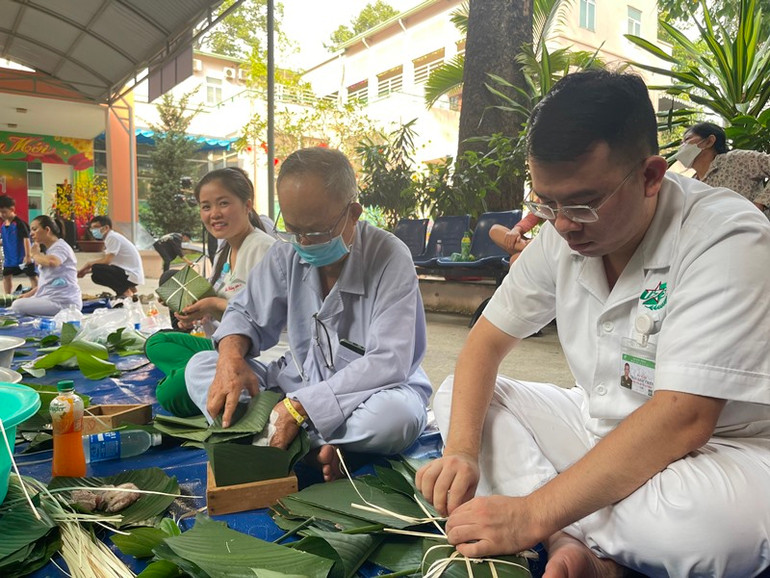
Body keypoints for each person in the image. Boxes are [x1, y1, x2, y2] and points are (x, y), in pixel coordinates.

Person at [416, 70, 770, 577]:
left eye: (583, 202)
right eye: (547, 202)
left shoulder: (726, 236)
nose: (562, 223)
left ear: (651, 175)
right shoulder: (564, 234)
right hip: (602, 431)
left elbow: (685, 418)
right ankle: (575, 543)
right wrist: (463, 453)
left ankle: (561, 522)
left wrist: (530, 513)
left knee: (706, 531)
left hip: (723, 453)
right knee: (458, 397)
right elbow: (485, 344)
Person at [185, 147, 431, 481]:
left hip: (373, 394)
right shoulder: (287, 251)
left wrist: (301, 408)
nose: (303, 242)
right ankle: (312, 446)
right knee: (199, 367)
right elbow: (244, 312)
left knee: (395, 420)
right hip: (296, 385)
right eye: (293, 228)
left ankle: (273, 438)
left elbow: (389, 361)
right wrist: (230, 358)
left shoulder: (389, 257)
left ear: (354, 213)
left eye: (316, 232)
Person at [145, 167, 276, 417]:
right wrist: (194, 309)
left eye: (223, 203)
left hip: (257, 354)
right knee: (157, 342)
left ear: (247, 205)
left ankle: (193, 377)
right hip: (218, 346)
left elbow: (268, 319)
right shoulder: (224, 248)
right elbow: (221, 302)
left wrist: (214, 305)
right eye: (205, 206)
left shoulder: (263, 249)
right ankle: (197, 373)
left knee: (167, 394)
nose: (214, 214)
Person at [675, 121, 770, 212]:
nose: (682, 147)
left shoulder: (738, 160)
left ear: (709, 141)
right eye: (681, 143)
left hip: (754, 227)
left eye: (687, 139)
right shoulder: (693, 185)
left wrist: (760, 203)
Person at [11, 215, 81, 316]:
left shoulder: (60, 247)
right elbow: (46, 283)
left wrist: (34, 254)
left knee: (17, 305)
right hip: (50, 298)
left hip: (63, 302)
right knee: (20, 302)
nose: (31, 234)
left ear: (47, 230)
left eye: (35, 229)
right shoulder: (51, 250)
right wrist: (28, 295)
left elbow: (53, 262)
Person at [77, 216, 145, 298]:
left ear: (106, 227)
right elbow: (108, 265)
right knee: (95, 276)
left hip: (131, 275)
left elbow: (106, 261)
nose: (93, 231)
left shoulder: (112, 237)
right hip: (128, 273)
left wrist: (88, 264)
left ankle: (126, 292)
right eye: (91, 228)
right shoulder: (111, 237)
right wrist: (85, 272)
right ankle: (129, 289)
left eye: (96, 227)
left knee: (97, 268)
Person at [0, 195, 38, 294]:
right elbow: (6, 239)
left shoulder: (19, 223)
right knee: (6, 276)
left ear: (12, 209)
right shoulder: (3, 225)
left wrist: (28, 256)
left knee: (32, 275)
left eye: (4, 212)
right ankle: (8, 296)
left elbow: (26, 239)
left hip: (23, 258)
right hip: (10, 259)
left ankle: (37, 293)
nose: (2, 214)